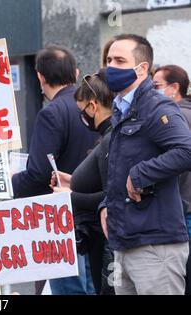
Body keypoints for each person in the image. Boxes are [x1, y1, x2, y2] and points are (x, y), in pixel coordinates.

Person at [99, 34, 191, 295]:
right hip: (126, 243)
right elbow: (119, 169)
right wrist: (106, 205)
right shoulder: (122, 110)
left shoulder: (155, 107)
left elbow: (187, 150)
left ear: (141, 69)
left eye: (119, 60)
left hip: (155, 245)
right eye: (108, 60)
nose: (111, 67)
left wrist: (141, 174)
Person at [11, 45, 98, 295]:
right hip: (94, 213)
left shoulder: (52, 113)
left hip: (61, 217)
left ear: (40, 77)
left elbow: (39, 173)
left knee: (69, 288)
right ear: (76, 72)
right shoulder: (92, 106)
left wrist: (11, 184)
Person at [50, 69, 115, 295]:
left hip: (106, 238)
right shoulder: (108, 137)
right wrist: (73, 182)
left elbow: (112, 194)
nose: (82, 118)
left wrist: (71, 197)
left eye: (82, 111)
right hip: (99, 236)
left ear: (93, 106)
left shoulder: (111, 138)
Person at [153, 64, 191, 295]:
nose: (152, 92)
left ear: (174, 88)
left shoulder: (174, 117)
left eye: (156, 86)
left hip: (182, 209)